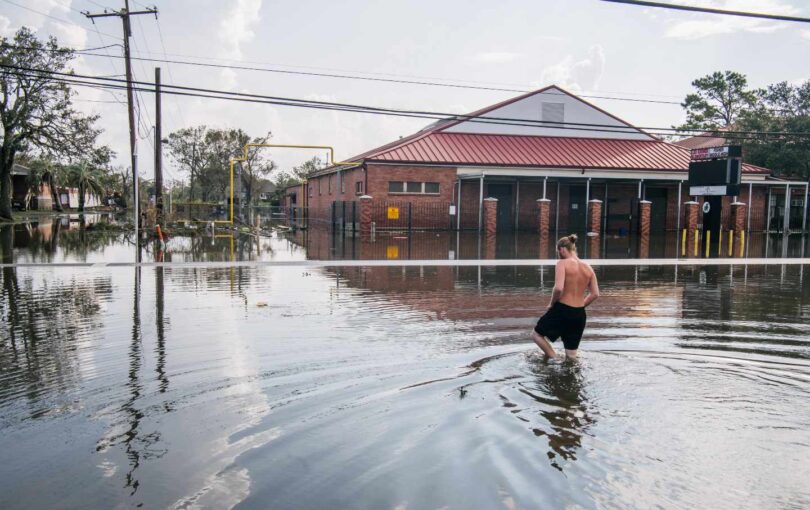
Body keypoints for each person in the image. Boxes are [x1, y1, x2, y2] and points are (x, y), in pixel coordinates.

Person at [532, 234, 599, 359]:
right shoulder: (588, 268)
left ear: (562, 249)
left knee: (536, 335)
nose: (559, 254)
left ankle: (554, 358)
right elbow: (595, 294)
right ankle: (567, 368)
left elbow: (558, 288)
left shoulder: (562, 263)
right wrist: (579, 307)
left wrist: (551, 304)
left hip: (562, 309)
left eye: (558, 251)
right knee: (571, 355)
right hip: (579, 314)